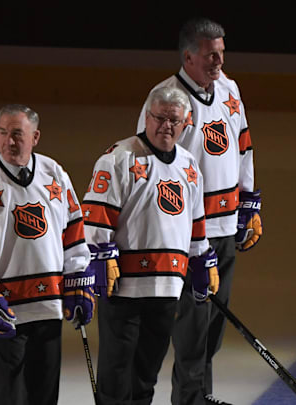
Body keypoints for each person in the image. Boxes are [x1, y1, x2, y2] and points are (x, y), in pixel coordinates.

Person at [136, 17, 263, 405]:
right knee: (192, 327)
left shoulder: (228, 88)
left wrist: (248, 200)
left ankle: (199, 396)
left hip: (226, 226)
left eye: (221, 53)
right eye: (210, 55)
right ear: (188, 56)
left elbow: (242, 144)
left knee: (213, 328)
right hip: (192, 236)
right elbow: (151, 169)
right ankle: (189, 400)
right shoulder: (166, 99)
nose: (218, 62)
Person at [83, 86, 220, 405]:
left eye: (174, 120)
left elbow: (195, 224)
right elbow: (95, 217)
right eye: (159, 118)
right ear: (146, 116)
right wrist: (98, 256)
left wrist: (201, 260)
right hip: (125, 290)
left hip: (166, 290)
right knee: (116, 380)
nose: (166, 126)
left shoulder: (189, 166)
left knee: (145, 377)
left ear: (185, 124)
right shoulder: (118, 158)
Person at [0, 104, 94, 405]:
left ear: (35, 137)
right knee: (9, 396)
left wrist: (78, 277)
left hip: (50, 304)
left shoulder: (54, 172)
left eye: (17, 134)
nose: (8, 141)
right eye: (3, 133)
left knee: (44, 395)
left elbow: (73, 232)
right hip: (7, 309)